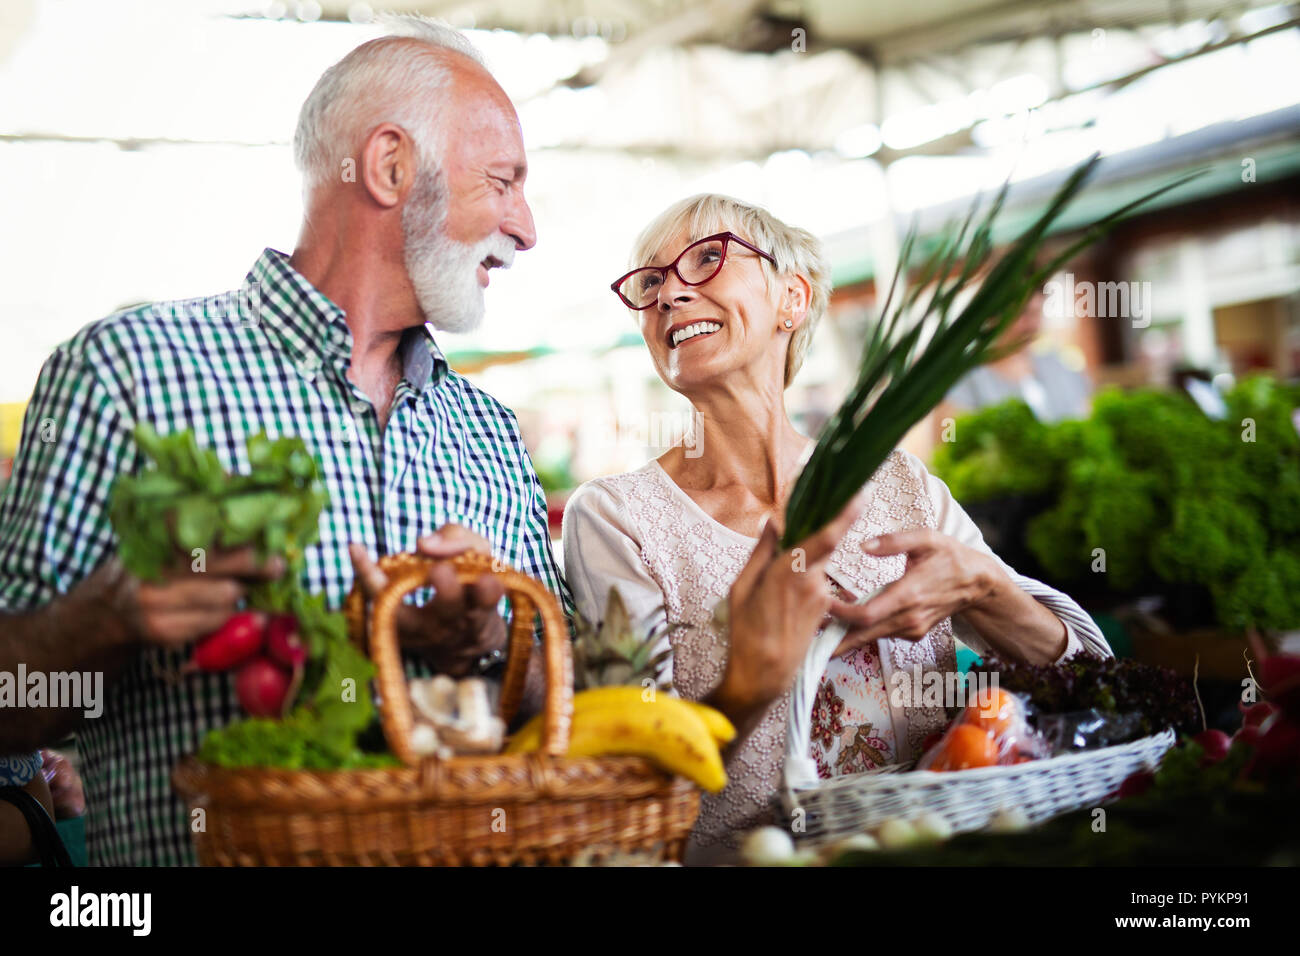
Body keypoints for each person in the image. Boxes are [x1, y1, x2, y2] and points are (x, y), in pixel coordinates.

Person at [0, 18, 568, 865]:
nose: (526, 229)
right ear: (389, 167)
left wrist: (488, 643)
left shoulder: (488, 429)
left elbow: (562, 705)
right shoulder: (123, 371)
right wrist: (108, 621)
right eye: (504, 182)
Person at [563, 194, 1111, 864]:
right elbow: (632, 788)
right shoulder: (617, 518)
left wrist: (987, 591)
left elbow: (1095, 686)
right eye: (650, 283)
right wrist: (747, 686)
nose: (670, 293)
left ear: (792, 299)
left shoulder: (897, 483)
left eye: (707, 259)